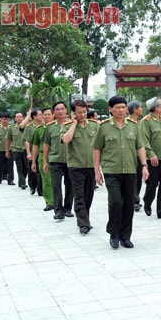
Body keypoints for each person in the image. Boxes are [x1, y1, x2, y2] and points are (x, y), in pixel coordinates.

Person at [92, 95, 149, 249]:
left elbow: (140, 146)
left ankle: (126, 236)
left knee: (129, 204)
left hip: (130, 170)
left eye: (123, 107)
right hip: (112, 170)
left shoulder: (133, 125)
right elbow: (97, 149)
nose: (121, 110)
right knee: (116, 202)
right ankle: (114, 233)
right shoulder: (103, 127)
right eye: (117, 107)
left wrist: (144, 165)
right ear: (111, 109)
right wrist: (97, 171)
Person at [61, 100, 99, 234]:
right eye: (79, 113)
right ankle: (83, 223)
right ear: (73, 113)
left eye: (84, 112)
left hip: (91, 166)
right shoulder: (67, 126)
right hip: (76, 166)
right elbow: (65, 140)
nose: (82, 115)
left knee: (89, 195)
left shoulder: (94, 126)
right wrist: (74, 124)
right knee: (79, 196)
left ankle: (84, 218)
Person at [140, 97, 161, 220]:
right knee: (152, 184)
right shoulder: (146, 121)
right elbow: (144, 140)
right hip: (153, 159)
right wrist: (151, 154)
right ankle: (147, 202)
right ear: (157, 108)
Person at [43, 101, 74, 220]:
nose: (60, 111)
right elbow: (46, 145)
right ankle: (58, 211)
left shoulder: (72, 125)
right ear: (54, 112)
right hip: (55, 160)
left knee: (70, 185)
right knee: (56, 185)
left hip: (70, 160)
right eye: (57, 109)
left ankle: (67, 209)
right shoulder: (50, 127)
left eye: (62, 109)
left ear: (66, 110)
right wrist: (45, 161)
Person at [31, 108, 54, 211]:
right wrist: (33, 162)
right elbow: (35, 146)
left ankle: (59, 201)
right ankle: (50, 202)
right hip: (42, 157)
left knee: (56, 181)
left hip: (56, 157)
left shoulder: (57, 127)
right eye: (45, 115)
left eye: (49, 114)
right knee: (46, 180)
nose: (47, 116)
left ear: (53, 115)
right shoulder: (38, 129)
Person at [127, 100, 144, 212]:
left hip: (140, 156)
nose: (142, 109)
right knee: (131, 180)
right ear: (135, 110)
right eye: (140, 107)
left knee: (138, 179)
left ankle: (135, 199)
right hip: (130, 157)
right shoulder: (127, 123)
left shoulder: (141, 123)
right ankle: (134, 201)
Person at [23, 109, 43, 196]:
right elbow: (26, 141)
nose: (41, 116)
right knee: (32, 172)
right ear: (34, 117)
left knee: (42, 172)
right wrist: (28, 153)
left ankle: (41, 189)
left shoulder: (44, 126)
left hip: (42, 153)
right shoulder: (29, 127)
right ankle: (32, 186)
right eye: (39, 115)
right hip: (33, 153)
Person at [0, 113, 15, 185]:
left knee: (10, 165)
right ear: (0, 119)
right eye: (4, 119)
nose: (5, 121)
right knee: (0, 165)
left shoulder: (12, 127)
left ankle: (10, 180)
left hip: (10, 149)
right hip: (0, 149)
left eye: (7, 119)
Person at [6, 112, 28, 189]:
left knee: (26, 167)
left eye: (20, 117)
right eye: (17, 117)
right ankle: (23, 183)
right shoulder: (11, 128)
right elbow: (8, 140)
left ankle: (21, 181)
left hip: (25, 150)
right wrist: (7, 150)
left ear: (23, 118)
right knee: (19, 167)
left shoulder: (27, 126)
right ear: (15, 119)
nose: (19, 118)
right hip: (16, 149)